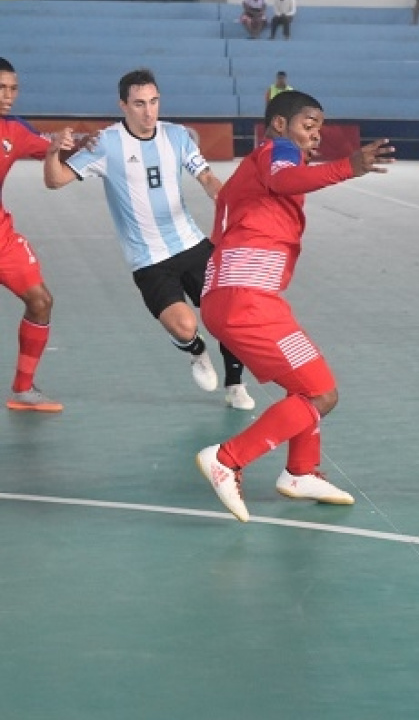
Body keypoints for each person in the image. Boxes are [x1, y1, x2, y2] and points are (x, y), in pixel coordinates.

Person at [195, 91, 395, 522]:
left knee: (306, 384)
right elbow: (285, 179)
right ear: (280, 124)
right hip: (246, 299)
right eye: (309, 124)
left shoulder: (256, 167)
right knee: (321, 393)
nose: (316, 134)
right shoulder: (278, 150)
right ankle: (227, 459)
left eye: (320, 127)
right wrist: (348, 166)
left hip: (243, 297)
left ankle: (301, 472)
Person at [43, 68, 255, 409]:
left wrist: (226, 200)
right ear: (123, 105)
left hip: (192, 244)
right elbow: (55, 181)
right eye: (139, 104)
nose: (149, 111)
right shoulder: (106, 144)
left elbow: (207, 178)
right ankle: (196, 350)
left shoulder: (177, 136)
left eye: (154, 102)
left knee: (230, 314)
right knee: (185, 327)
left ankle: (235, 385)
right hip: (149, 260)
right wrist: (53, 151)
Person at [0, 58, 62, 412]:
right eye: (1, 88)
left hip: (2, 239)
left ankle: (23, 389)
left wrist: (80, 144)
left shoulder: (15, 130)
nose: (8, 96)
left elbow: (56, 150)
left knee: (41, 301)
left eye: (13, 89)